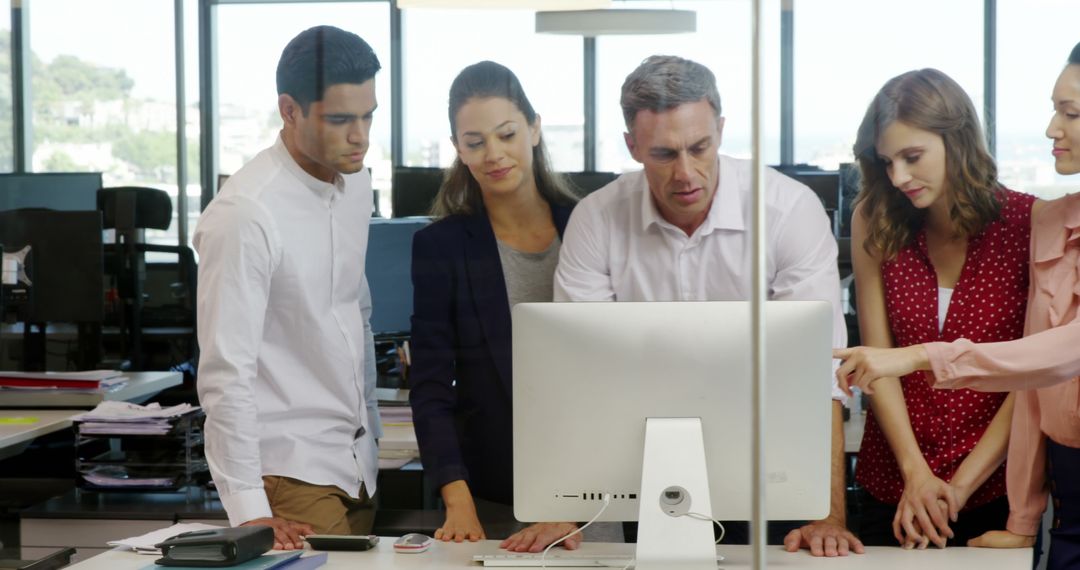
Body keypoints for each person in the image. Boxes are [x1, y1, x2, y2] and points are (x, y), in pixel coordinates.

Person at [554, 54, 863, 558]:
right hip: (650, 464)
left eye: (700, 147)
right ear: (632, 146)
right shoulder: (597, 219)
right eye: (662, 154)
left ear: (721, 128)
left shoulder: (787, 210)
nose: (686, 173)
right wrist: (561, 507)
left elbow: (816, 369)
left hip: (774, 465)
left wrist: (826, 515)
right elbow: (581, 369)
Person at [835, 43, 1080, 569]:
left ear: (957, 140)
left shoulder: (1030, 223)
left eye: (912, 157)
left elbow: (1031, 371)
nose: (899, 176)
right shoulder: (873, 220)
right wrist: (916, 475)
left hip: (991, 489)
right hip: (894, 483)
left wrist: (959, 486)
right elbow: (881, 360)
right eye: (887, 161)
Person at [194, 25, 382, 550]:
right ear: (289, 110)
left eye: (368, 116)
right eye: (340, 119)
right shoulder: (245, 214)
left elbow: (353, 313)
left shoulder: (352, 185)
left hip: (357, 465)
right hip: (290, 474)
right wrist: (250, 509)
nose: (360, 136)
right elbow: (226, 372)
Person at [408, 61, 583, 553]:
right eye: (475, 141)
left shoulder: (589, 227)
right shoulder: (440, 247)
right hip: (492, 498)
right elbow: (430, 385)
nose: (494, 154)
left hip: (595, 494)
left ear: (534, 128)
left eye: (506, 134)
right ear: (459, 151)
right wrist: (456, 499)